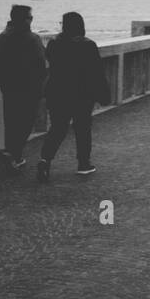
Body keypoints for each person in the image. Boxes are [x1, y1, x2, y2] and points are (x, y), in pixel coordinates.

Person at [37, 11, 110, 181]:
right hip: (82, 94)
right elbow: (96, 72)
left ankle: (45, 160)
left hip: (58, 92)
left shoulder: (54, 44)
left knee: (57, 129)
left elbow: (51, 62)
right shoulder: (88, 45)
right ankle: (83, 164)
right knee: (83, 128)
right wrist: (103, 94)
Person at [0, 4, 47, 172]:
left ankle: (12, 153)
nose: (31, 20)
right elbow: (41, 65)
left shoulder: (0, 39)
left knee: (12, 121)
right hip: (29, 88)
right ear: (24, 20)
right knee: (26, 122)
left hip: (9, 88)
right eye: (30, 17)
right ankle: (15, 154)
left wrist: (2, 82)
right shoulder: (32, 39)